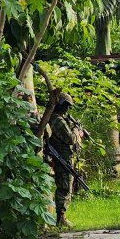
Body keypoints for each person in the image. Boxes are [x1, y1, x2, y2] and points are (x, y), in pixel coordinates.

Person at [46, 96, 83, 228]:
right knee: (64, 186)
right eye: (66, 106)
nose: (67, 109)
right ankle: (60, 218)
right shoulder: (58, 120)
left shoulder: (59, 119)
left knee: (66, 185)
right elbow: (70, 139)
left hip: (64, 157)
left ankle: (61, 217)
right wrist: (76, 131)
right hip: (62, 158)